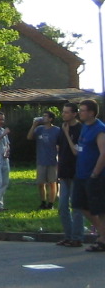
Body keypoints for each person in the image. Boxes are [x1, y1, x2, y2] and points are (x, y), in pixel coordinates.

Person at [72, 99, 105, 252]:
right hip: (81, 174)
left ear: (91, 112)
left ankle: (102, 239)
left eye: (83, 110)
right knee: (80, 205)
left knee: (99, 209)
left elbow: (103, 153)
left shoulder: (100, 129)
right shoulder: (85, 126)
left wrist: (95, 173)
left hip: (95, 176)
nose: (80, 112)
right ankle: (102, 234)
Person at [56, 103, 85, 247]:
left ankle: (77, 237)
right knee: (62, 206)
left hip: (76, 172)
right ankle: (68, 235)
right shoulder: (62, 128)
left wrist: (67, 134)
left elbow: (76, 152)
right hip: (64, 171)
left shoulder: (80, 129)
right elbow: (60, 149)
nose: (64, 114)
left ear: (74, 114)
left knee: (76, 206)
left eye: (67, 112)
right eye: (63, 112)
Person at [27, 110, 61, 209]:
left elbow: (60, 144)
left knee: (52, 183)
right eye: (43, 116)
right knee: (40, 183)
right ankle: (43, 202)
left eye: (45, 116)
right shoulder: (39, 129)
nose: (43, 118)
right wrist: (34, 125)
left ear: (50, 119)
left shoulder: (57, 130)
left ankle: (51, 203)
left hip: (52, 161)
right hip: (41, 160)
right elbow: (29, 137)